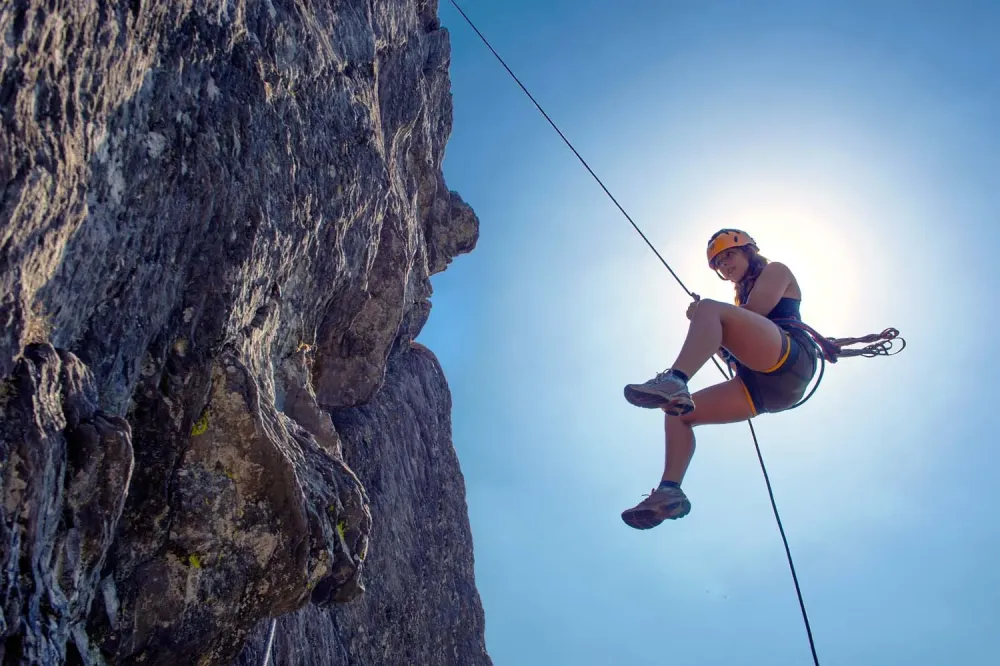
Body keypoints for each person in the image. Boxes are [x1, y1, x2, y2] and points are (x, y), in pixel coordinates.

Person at [619, 229, 819, 530]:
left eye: (730, 255)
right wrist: (711, 322)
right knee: (677, 414)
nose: (725, 265)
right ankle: (668, 492)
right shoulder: (739, 301)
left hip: (792, 359)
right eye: (719, 263)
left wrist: (707, 315)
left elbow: (757, 314)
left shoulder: (777, 270)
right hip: (764, 388)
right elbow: (733, 350)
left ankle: (675, 379)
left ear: (748, 251)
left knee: (710, 307)